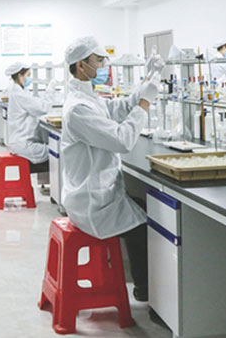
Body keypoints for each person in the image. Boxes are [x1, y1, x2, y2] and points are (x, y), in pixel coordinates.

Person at [60, 36, 161, 302]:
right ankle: (147, 293)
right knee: (143, 224)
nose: (104, 65)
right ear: (82, 65)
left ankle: (150, 285)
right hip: (92, 204)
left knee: (144, 208)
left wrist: (145, 86)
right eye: (99, 60)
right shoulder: (78, 109)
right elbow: (121, 140)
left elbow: (115, 109)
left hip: (98, 194)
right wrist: (144, 105)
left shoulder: (87, 97)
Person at [4, 62, 57, 173]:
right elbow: (42, 108)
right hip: (23, 145)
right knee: (57, 152)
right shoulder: (19, 94)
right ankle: (56, 187)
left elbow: (34, 105)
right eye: (28, 75)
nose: (29, 78)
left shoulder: (19, 91)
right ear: (20, 76)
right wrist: (50, 89)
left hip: (18, 142)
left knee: (52, 149)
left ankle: (49, 183)